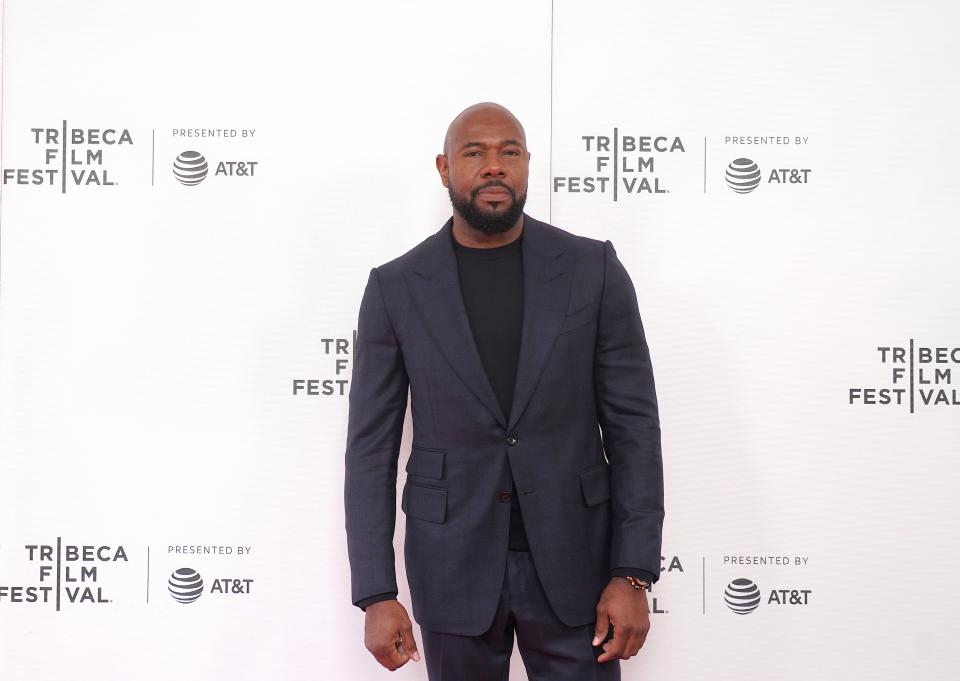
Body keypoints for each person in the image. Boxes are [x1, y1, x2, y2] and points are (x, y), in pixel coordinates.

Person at [344, 102, 663, 680]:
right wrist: (374, 592)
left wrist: (632, 572)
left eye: (508, 152)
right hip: (451, 566)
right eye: (475, 153)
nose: (494, 167)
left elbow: (634, 430)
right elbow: (371, 450)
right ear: (444, 168)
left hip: (578, 567)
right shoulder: (395, 287)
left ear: (526, 165)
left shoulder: (592, 269)